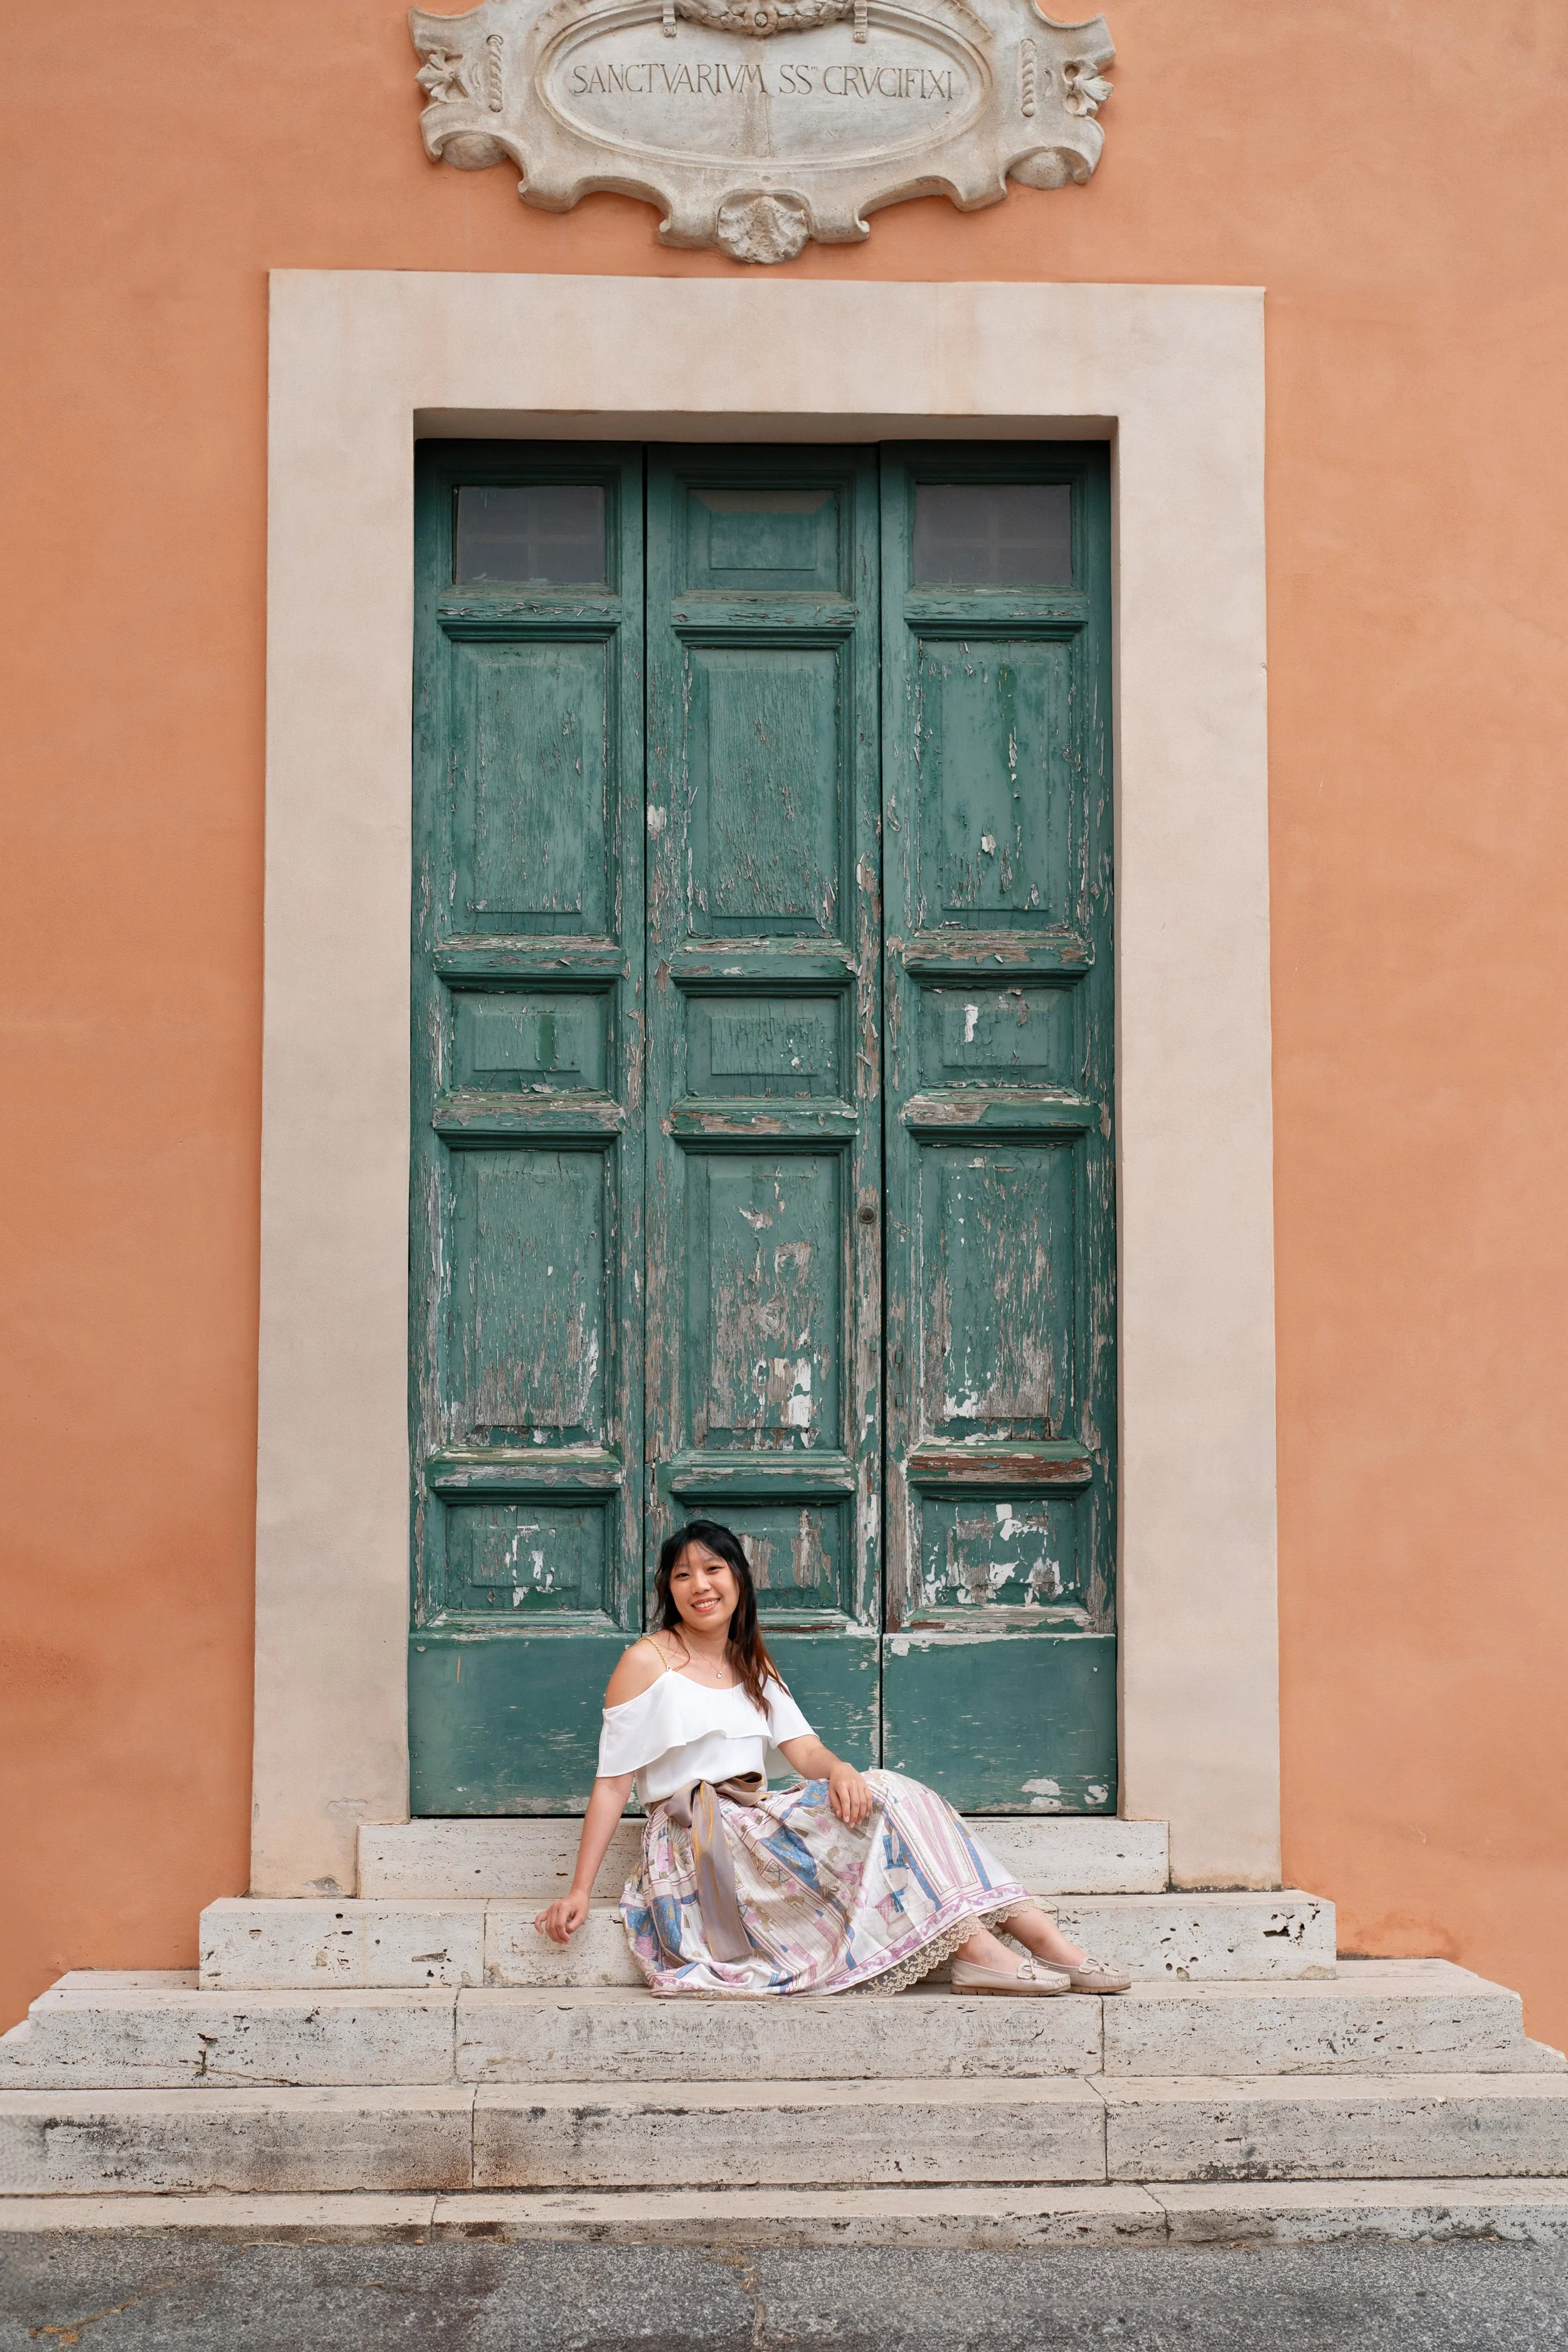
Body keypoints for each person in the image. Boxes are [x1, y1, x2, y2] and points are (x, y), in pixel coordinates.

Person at [534, 1518, 1132, 1998]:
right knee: (882, 1805)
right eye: (683, 1574)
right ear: (669, 1589)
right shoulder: (647, 1661)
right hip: (699, 1841)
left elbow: (806, 1750)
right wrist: (580, 1889)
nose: (700, 1585)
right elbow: (612, 1785)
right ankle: (978, 1950)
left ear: (738, 1580)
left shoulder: (751, 1665)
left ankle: (1048, 1943)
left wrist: (842, 1770)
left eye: (713, 1569)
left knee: (888, 1790)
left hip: (755, 1821)